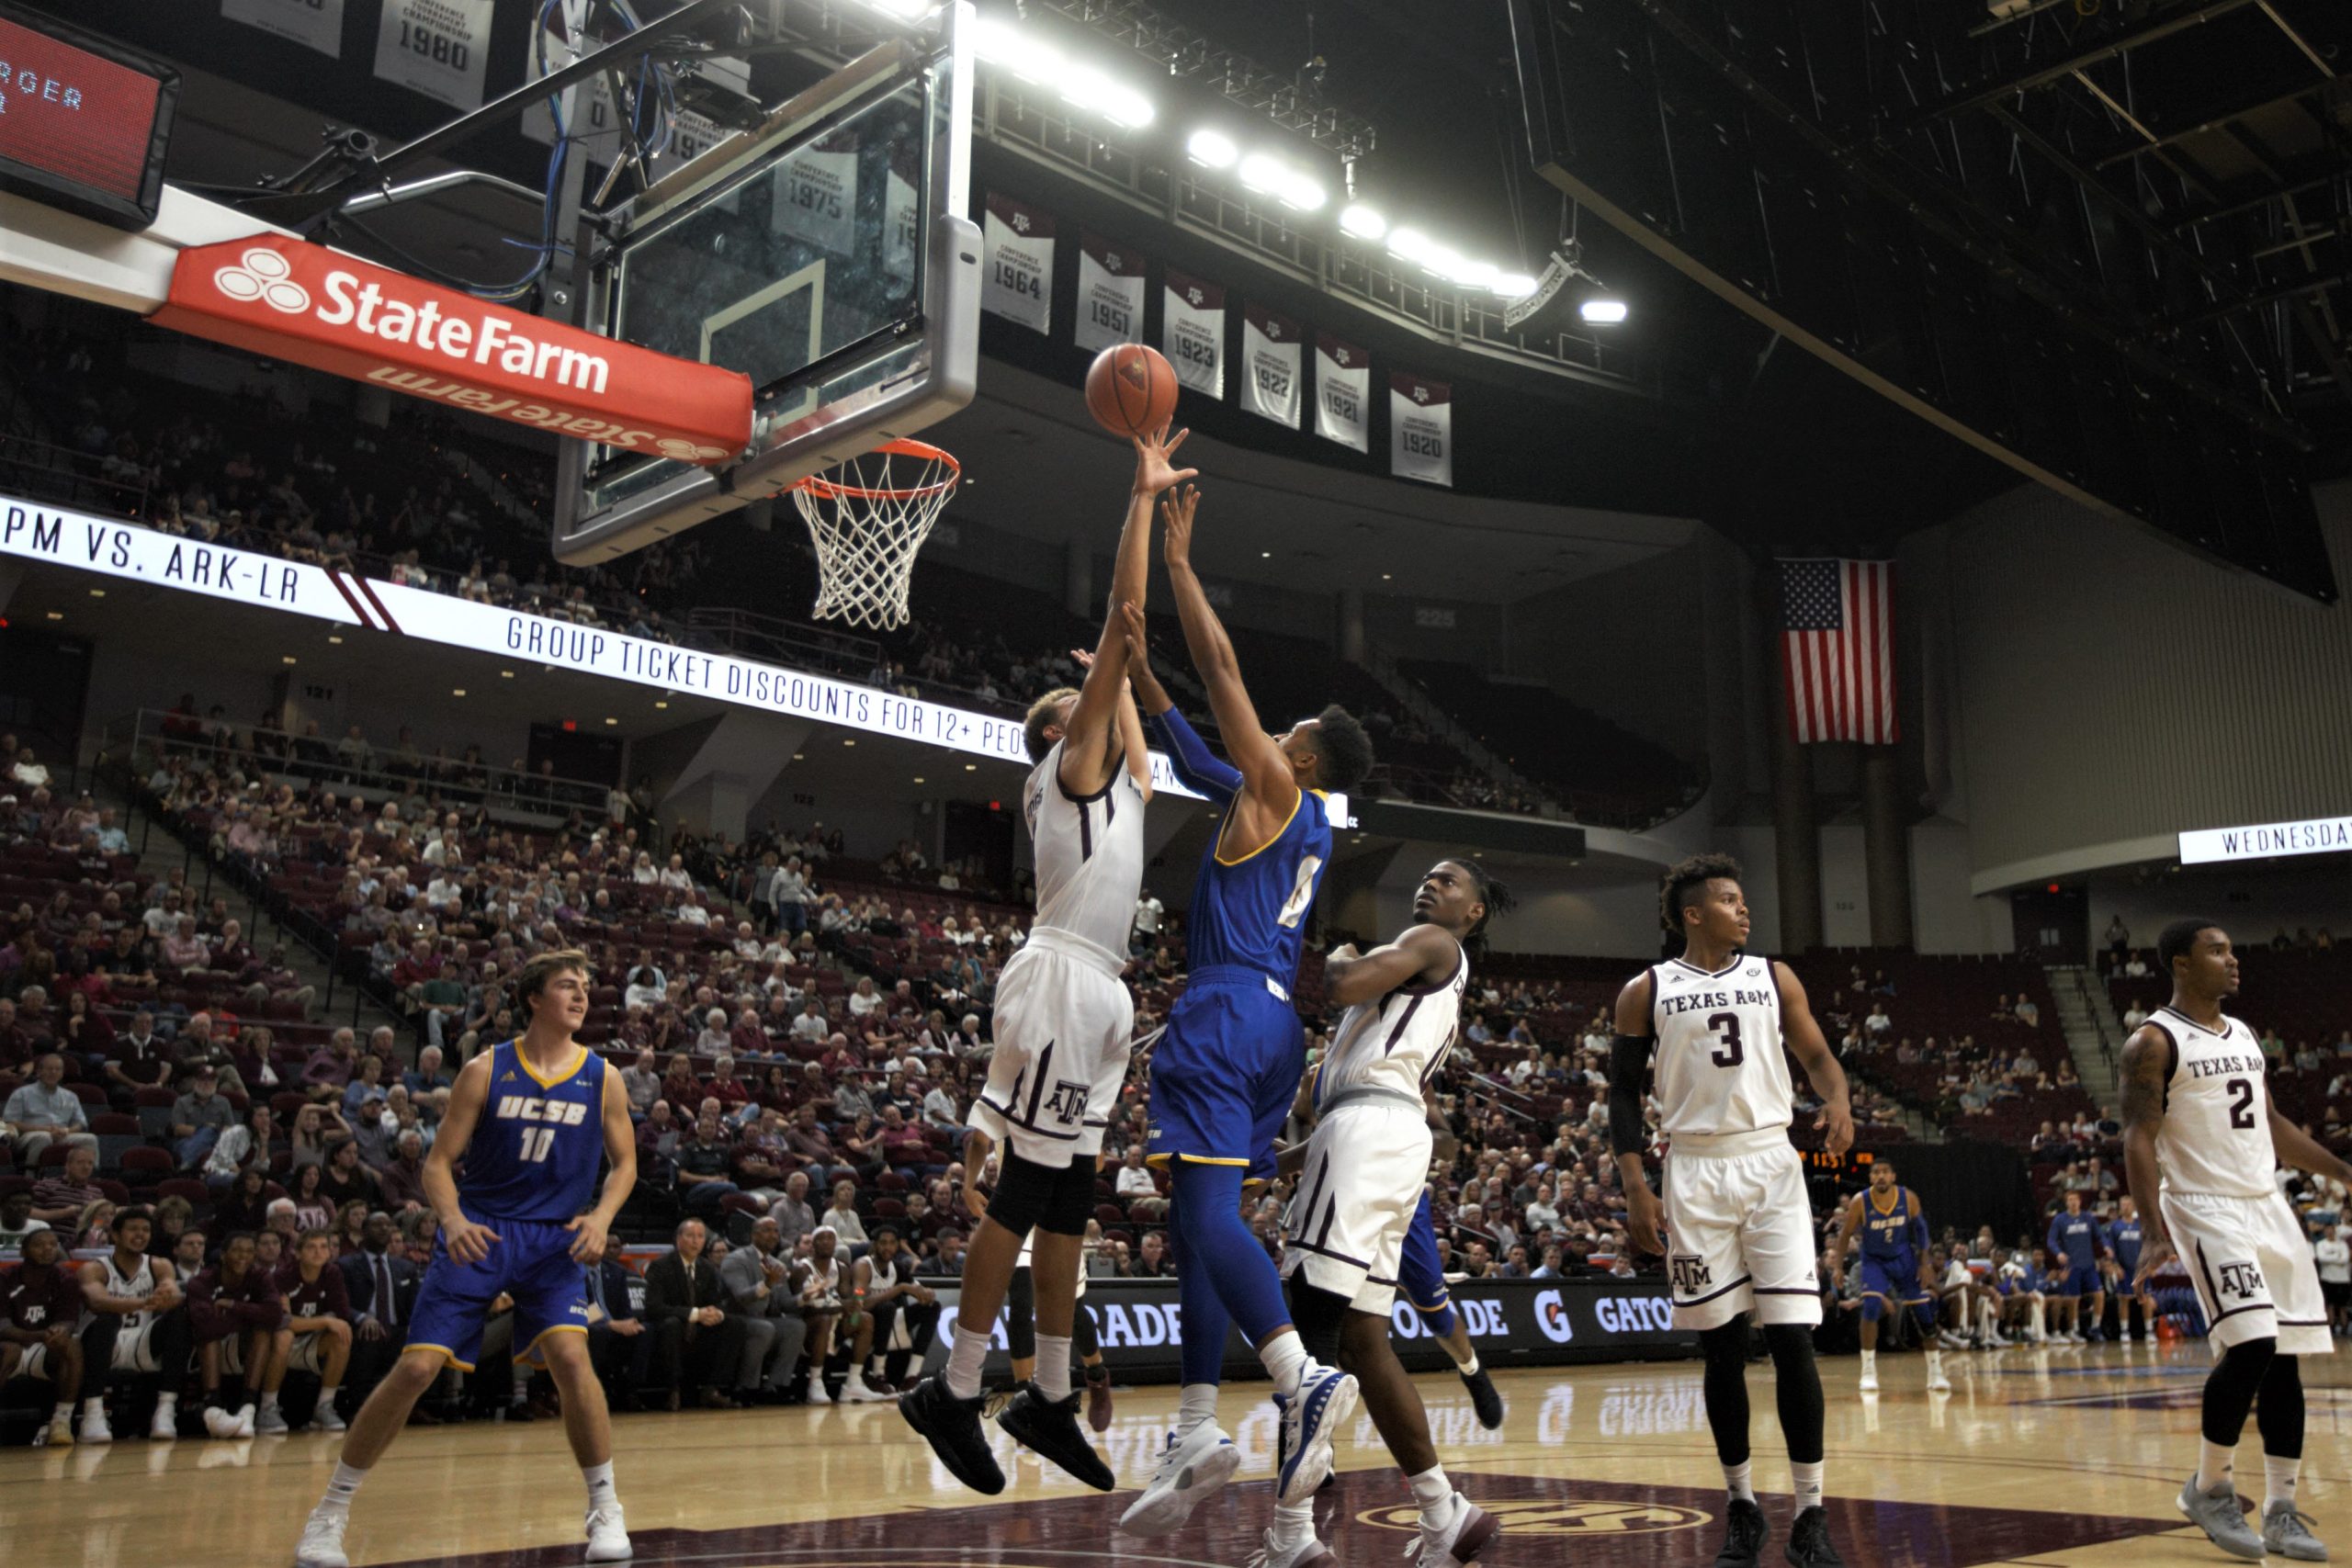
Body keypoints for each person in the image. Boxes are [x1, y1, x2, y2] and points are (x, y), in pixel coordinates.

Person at [902, 424, 1186, 1495]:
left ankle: (1052, 1397)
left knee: (1070, 1207)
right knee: (1024, 1195)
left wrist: (1114, 685)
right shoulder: (1069, 772)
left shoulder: (1117, 788)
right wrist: (1141, 493)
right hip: (1061, 977)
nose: (1102, 709)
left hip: (1100, 991)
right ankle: (954, 1385)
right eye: (1085, 708)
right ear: (1061, 736)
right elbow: (1126, 619)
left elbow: (1148, 770)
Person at [1115, 482, 1374, 1532]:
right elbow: (1194, 756)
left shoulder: (1277, 786)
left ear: (1300, 755)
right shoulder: (1287, 809)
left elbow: (1221, 671)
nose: (1275, 732)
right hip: (1272, 1025)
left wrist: (1178, 561)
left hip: (1224, 1012)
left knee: (1210, 1217)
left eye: (1289, 728)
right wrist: (1139, 680)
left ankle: (1295, 1377)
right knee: (1193, 1220)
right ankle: (1190, 1421)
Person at [293, 949, 638, 1568]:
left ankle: (605, 1505)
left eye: (586, 986)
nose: (581, 995)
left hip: (553, 1239)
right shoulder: (486, 1069)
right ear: (535, 998)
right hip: (479, 1231)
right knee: (417, 1369)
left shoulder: (603, 1075)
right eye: (567, 985)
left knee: (569, 1354)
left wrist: (602, 1217)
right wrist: (451, 1220)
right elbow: (436, 1163)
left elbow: (626, 1164)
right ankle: (330, 1512)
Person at [1268, 859, 1513, 1568]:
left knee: (1308, 1330)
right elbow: (1358, 1093)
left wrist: (1342, 947)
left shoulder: (1432, 944)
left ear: (1473, 913)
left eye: (1451, 880)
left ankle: (1291, 1534)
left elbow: (1340, 980)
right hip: (1382, 1137)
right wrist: (1283, 1162)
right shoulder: (1417, 976)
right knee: (1363, 1341)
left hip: (1368, 1136)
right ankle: (1444, 1510)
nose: (1432, 883)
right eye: (1428, 876)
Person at [1611, 854, 1852, 1568]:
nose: (1743, 909)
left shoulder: (1774, 976)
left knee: (1792, 1339)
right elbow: (1623, 1095)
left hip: (1771, 1161)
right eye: (1727, 899)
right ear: (1692, 913)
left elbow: (1817, 1053)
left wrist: (1837, 1098)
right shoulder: (1645, 989)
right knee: (1720, 1344)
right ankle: (1742, 1505)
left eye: (1743, 898)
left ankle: (1812, 1514)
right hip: (1692, 1167)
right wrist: (1634, 1185)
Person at [2120, 919, 2346, 1562]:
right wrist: (2150, 1233)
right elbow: (2137, 1135)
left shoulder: (2243, 1032)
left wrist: (2343, 1172)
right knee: (2252, 1342)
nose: (2232, 958)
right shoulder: (2153, 1040)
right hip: (2202, 1204)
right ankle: (2209, 1487)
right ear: (2181, 964)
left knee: (2288, 1357)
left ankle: (2280, 1508)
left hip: (2265, 1202)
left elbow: (2270, 1123)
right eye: (2216, 950)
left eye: (2231, 947)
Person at [1826, 1159, 1948, 1395]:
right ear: (1871, 1178)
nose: (1880, 1176)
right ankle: (1868, 1371)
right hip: (1874, 1260)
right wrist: (1839, 1267)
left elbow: (1921, 1230)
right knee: (1871, 1305)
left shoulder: (1908, 1197)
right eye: (1876, 1173)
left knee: (1923, 1311)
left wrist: (1924, 1263)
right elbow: (1845, 1235)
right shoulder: (1861, 1201)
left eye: (1885, 1172)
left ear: (1893, 1176)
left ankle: (1936, 1372)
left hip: (1903, 1258)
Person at [76, 1205, 190, 1443]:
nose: (140, 1235)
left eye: (146, 1230)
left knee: (180, 1317)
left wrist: (169, 1295)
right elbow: (97, 1301)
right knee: (107, 1319)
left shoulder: (159, 1264)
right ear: (115, 1235)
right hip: (100, 1345)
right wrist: (143, 1302)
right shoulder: (95, 1268)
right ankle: (93, 1412)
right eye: (133, 1229)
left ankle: (165, 1409)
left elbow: (173, 1292)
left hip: (141, 1342)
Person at [640, 1216, 747, 1411]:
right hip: (670, 1330)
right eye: (690, 1236)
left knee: (734, 1324)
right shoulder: (660, 1266)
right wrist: (695, 1313)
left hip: (699, 1331)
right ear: (678, 1239)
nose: (696, 1241)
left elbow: (721, 1300)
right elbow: (654, 1307)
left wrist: (717, 1313)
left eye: (700, 1236)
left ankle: (712, 1389)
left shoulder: (707, 1267)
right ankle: (673, 1391)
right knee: (671, 1324)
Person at [2, 1226, 85, 1446]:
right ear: (23, 1251)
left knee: (70, 1344)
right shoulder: (5, 1278)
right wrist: (41, 1334)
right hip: (9, 1345)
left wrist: (60, 1331)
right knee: (10, 1350)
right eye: (39, 1245)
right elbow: (3, 1328)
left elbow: (68, 1321)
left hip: (42, 1348)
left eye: (52, 1244)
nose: (47, 1249)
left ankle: (61, 1421)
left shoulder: (66, 1279)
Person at [718, 1216, 810, 1404]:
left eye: (776, 1231)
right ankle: (746, 1387)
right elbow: (741, 1296)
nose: (774, 1235)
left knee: (796, 1327)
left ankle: (776, 1386)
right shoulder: (736, 1259)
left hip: (764, 1319)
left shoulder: (777, 1264)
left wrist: (805, 1297)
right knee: (764, 1328)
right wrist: (766, 1284)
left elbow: (785, 1303)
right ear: (754, 1235)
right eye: (767, 1230)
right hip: (737, 1319)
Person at [276, 1228, 355, 1432]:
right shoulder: (283, 1276)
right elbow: (283, 1321)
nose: (318, 1252)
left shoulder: (332, 1273)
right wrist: (324, 1321)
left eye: (323, 1247)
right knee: (283, 1335)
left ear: (329, 1252)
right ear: (298, 1252)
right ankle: (268, 1408)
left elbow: (342, 1316)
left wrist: (325, 1323)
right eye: (311, 1247)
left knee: (342, 1335)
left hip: (311, 1342)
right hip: (279, 1344)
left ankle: (324, 1406)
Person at [852, 1225, 941, 1392]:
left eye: (892, 1243)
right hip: (862, 1322)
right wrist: (899, 1289)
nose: (888, 1247)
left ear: (898, 1246)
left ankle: (912, 1375)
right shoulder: (863, 1266)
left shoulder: (898, 1267)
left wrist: (926, 1293)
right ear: (874, 1245)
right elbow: (860, 1303)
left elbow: (917, 1290)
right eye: (883, 1243)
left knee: (932, 1307)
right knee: (887, 1307)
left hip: (888, 1321)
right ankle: (878, 1373)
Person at [2043, 1190, 2112, 1345]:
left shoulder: (2088, 1218)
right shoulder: (2060, 1220)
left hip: (2088, 1264)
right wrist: (2059, 1253)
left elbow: (2100, 1235)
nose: (2073, 1202)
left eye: (2075, 1199)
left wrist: (2106, 1246)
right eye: (2070, 1200)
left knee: (2099, 1294)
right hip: (2071, 1265)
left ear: (2080, 1202)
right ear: (2066, 1203)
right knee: (2074, 1299)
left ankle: (2095, 1327)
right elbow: (2051, 1241)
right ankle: (2073, 1330)